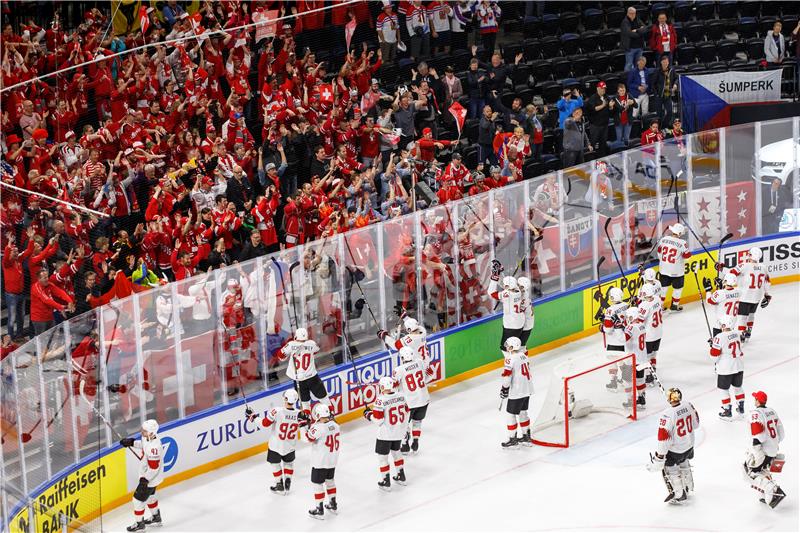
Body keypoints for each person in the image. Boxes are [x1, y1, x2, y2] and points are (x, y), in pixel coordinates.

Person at [647, 388, 699, 504]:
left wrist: (660, 456)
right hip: (689, 446)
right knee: (684, 462)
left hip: (676, 450)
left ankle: (679, 494)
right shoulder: (688, 405)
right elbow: (696, 424)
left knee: (671, 468)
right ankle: (688, 486)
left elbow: (664, 438)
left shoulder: (667, 414)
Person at [246, 389, 300, 495]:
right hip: (290, 445)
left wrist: (252, 417)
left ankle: (279, 484)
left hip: (276, 445)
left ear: (285, 399)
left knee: (275, 464)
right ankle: (288, 480)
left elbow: (264, 424)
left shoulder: (277, 411)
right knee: (288, 463)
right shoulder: (300, 414)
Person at [363, 376, 410, 491]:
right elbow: (407, 411)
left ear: (383, 387)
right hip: (398, 432)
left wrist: (368, 415)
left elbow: (378, 421)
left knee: (383, 458)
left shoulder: (380, 400)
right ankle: (401, 476)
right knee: (396, 453)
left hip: (386, 434)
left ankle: (386, 481)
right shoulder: (401, 395)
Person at [744, 391, 787, 508]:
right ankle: (763, 496)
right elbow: (781, 434)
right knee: (763, 470)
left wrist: (757, 449)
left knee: (749, 473)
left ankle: (772, 490)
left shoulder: (756, 413)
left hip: (762, 450)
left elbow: (758, 435)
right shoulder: (772, 411)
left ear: (757, 401)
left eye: (755, 398)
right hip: (773, 449)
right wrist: (773, 443)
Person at [275, 327, 329, 418]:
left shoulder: (291, 344)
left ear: (296, 336)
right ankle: (330, 416)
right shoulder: (311, 343)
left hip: (299, 380)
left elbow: (280, 356)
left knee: (305, 403)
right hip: (312, 377)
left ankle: (306, 422)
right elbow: (316, 350)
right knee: (324, 399)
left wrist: (293, 346)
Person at [121, 420, 164, 531]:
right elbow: (144, 445)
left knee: (137, 501)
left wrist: (145, 480)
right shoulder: (149, 437)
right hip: (151, 477)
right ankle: (156, 517)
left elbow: (154, 468)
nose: (141, 432)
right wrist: (131, 442)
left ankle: (139, 524)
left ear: (151, 433)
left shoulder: (154, 448)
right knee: (150, 497)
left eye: (144, 431)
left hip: (150, 478)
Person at [393, 346, 433, 455]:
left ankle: (405, 445)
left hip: (410, 403)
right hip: (424, 399)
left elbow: (394, 388)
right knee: (417, 422)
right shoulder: (420, 362)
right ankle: (415, 442)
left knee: (404, 425)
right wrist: (422, 383)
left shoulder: (398, 370)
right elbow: (430, 374)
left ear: (401, 357)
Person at [729, 247, 771, 342]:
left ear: (750, 255)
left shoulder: (743, 265)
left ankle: (741, 336)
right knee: (751, 314)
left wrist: (721, 268)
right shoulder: (763, 267)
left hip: (744, 296)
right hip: (757, 296)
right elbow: (767, 282)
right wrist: (767, 295)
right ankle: (749, 331)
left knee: (742, 318)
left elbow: (731, 274)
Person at [306, 403, 340, 519]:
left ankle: (319, 509)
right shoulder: (336, 425)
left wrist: (303, 425)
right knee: (330, 481)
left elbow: (307, 438)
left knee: (318, 484)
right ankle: (333, 504)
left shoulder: (318, 428)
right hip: (332, 460)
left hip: (320, 461)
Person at [499, 336, 533, 448]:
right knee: (523, 412)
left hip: (517, 391)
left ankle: (512, 439)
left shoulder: (510, 358)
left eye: (509, 345)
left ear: (513, 346)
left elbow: (507, 376)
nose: (507, 347)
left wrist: (504, 389)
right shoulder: (524, 355)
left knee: (510, 414)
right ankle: (526, 437)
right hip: (527, 389)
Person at [709, 315, 745, 420]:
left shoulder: (719, 337)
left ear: (724, 325)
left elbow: (714, 357)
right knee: (738, 387)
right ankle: (741, 408)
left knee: (723, 390)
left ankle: (727, 410)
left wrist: (713, 345)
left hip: (726, 369)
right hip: (739, 365)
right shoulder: (737, 333)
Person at [488, 261, 525, 349]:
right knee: (517, 345)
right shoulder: (518, 290)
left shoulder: (507, 295)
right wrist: (500, 272)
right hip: (519, 322)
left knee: (505, 347)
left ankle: (512, 361)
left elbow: (491, 293)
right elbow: (506, 285)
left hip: (511, 324)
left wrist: (494, 277)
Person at [656, 223, 691, 311]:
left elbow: (659, 252)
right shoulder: (683, 243)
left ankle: (660, 306)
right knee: (678, 289)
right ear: (679, 233)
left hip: (663, 269)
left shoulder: (664, 239)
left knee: (663, 289)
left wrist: (663, 262)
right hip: (677, 271)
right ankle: (674, 305)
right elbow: (687, 257)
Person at [602, 287, 629, 391]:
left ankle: (613, 382)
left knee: (612, 361)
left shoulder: (610, 310)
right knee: (622, 360)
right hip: (625, 339)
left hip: (614, 341)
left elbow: (608, 329)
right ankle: (625, 379)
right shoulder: (626, 305)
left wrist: (602, 327)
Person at [636, 283, 662, 384]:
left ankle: (648, 375)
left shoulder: (644, 305)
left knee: (645, 356)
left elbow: (639, 321)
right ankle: (653, 368)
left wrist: (637, 305)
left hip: (649, 335)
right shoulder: (657, 299)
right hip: (659, 332)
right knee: (653, 354)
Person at [704, 272, 741, 338]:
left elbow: (709, 301)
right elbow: (728, 295)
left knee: (718, 343)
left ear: (726, 281)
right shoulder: (738, 291)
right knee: (728, 340)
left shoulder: (720, 293)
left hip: (721, 323)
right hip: (732, 321)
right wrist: (721, 287)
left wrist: (708, 290)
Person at [585, 81, 611, 156]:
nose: (603, 90)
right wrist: (603, 105)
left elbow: (609, 105)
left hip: (604, 125)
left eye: (604, 89)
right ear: (598, 88)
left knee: (603, 143)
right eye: (602, 88)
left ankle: (602, 158)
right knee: (593, 142)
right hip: (595, 126)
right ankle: (592, 158)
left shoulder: (606, 96)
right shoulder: (593, 98)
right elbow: (593, 109)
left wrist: (611, 106)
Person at [652, 55, 678, 126]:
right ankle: (659, 128)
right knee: (659, 114)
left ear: (668, 62)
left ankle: (664, 126)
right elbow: (653, 84)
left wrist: (675, 84)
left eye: (666, 62)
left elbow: (676, 78)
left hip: (667, 95)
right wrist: (656, 94)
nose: (665, 64)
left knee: (670, 112)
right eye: (664, 62)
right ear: (661, 62)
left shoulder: (671, 70)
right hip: (659, 96)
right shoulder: (657, 71)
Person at [621, 6, 645, 71]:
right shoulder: (625, 22)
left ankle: (637, 79)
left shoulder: (638, 19)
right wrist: (639, 32)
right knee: (629, 65)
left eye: (634, 13)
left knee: (638, 65)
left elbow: (645, 29)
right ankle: (627, 79)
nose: (633, 15)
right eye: (631, 13)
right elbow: (630, 34)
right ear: (627, 13)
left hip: (639, 47)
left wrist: (636, 30)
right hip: (630, 48)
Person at [517, 277, 535, 345]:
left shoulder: (524, 297)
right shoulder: (522, 293)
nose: (519, 287)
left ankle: (523, 355)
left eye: (521, 287)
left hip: (526, 325)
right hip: (526, 323)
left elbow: (518, 311)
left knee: (521, 346)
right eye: (518, 285)